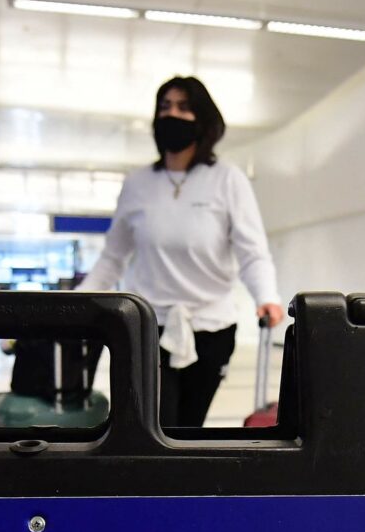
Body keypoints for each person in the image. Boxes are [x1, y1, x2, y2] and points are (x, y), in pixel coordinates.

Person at [81, 76, 284, 429]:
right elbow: (113, 257)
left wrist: (267, 296)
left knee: (190, 426)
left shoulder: (226, 179)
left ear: (203, 120)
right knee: (156, 425)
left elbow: (252, 251)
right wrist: (79, 301)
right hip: (147, 325)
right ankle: (158, 484)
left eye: (183, 107)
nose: (172, 114)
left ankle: (183, 483)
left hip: (212, 327)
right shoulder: (138, 184)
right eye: (165, 106)